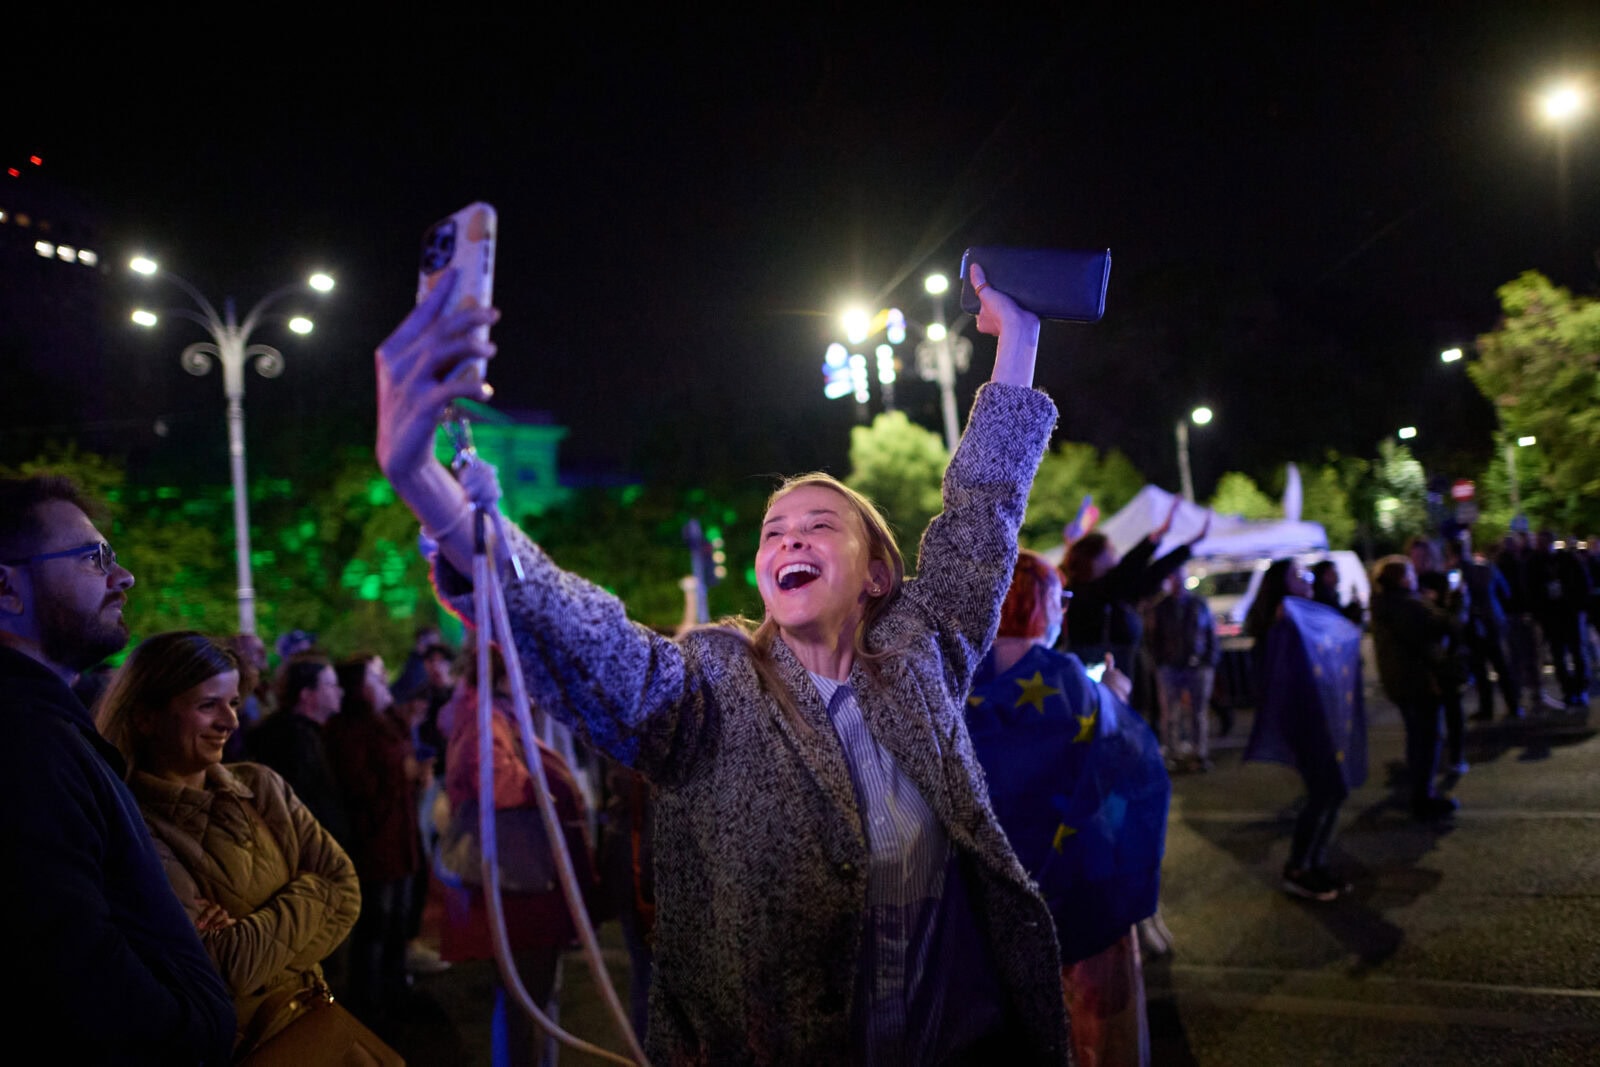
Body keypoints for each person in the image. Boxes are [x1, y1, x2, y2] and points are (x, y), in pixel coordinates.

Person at [374, 264, 1070, 1062]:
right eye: (774, 533)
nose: (790, 540)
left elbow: (983, 506)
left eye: (818, 525)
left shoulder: (924, 648)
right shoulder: (712, 684)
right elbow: (594, 637)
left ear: (878, 574)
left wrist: (1019, 336)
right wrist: (429, 488)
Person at [0, 476, 234, 1064]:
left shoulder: (51, 729)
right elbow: (70, 967)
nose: (122, 575)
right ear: (7, 588)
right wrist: (187, 1029)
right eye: (93, 558)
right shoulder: (25, 742)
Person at [96, 631, 363, 1058]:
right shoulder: (134, 826)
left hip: (312, 1022)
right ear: (146, 717)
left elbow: (346, 889)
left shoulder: (261, 786)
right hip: (246, 1047)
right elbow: (221, 968)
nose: (230, 721)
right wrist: (312, 891)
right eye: (208, 705)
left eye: (234, 703)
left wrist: (250, 934)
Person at [966, 550, 1171, 1067]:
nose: (1065, 608)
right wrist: (1115, 701)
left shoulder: (956, 677)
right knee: (1092, 1027)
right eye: (1061, 596)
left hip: (988, 892)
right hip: (1081, 880)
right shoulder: (1069, 678)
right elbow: (1126, 765)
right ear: (1040, 602)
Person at [436, 643, 599, 1067]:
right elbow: (495, 781)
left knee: (536, 993)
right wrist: (540, 790)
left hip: (528, 874)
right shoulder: (486, 717)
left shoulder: (501, 713)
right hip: (520, 878)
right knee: (526, 996)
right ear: (507, 674)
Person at [1243, 559, 1367, 900]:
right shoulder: (1284, 621)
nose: (1308, 578)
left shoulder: (1305, 614)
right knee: (1326, 790)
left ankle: (1314, 862)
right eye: (1299, 575)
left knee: (1333, 790)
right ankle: (1298, 867)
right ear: (1282, 584)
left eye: (1308, 573)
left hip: (1322, 716)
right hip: (1308, 720)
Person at [326, 652, 426, 1027]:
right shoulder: (349, 729)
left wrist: (411, 775)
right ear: (359, 687)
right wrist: (403, 775)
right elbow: (359, 786)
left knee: (397, 920)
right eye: (376, 677)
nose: (385, 682)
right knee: (376, 925)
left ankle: (394, 992)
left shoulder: (385, 722)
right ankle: (369, 1006)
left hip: (398, 840)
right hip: (376, 843)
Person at [1059, 500, 1210, 718]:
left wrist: (1182, 545)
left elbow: (1151, 574)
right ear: (1094, 558)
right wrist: (1157, 539)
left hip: (1123, 670)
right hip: (1103, 673)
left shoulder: (1113, 590)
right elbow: (1130, 568)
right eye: (1110, 550)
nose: (1116, 556)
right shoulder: (1089, 590)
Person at [1369, 556, 1459, 821]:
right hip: (1418, 680)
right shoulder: (1405, 604)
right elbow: (1436, 628)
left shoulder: (1388, 602)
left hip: (1402, 681)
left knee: (1417, 735)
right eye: (1409, 571)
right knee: (1427, 737)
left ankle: (1421, 789)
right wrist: (1447, 606)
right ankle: (1423, 796)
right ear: (1402, 578)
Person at [248, 652, 353, 849]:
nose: (340, 691)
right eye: (330, 685)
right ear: (307, 695)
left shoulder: (307, 733)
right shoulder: (292, 740)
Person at [1148, 565, 1220, 772]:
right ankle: (1172, 753)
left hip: (1197, 666)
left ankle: (1199, 753)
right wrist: (1160, 662)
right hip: (1170, 666)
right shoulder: (1160, 607)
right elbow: (1152, 638)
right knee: (1170, 714)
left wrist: (1209, 661)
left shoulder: (1198, 604)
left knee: (1197, 713)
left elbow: (1210, 634)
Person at [1447, 535, 1522, 722]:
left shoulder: (1456, 572)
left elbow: (1453, 598)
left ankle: (1487, 709)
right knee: (1500, 666)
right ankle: (1514, 706)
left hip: (1474, 623)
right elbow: (1505, 591)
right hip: (1492, 621)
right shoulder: (1486, 566)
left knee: (1480, 668)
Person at [1527, 529, 1592, 708]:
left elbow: (1582, 583)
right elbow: (1532, 590)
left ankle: (1581, 688)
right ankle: (1569, 690)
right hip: (1551, 616)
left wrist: (1581, 607)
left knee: (1577, 651)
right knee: (1558, 655)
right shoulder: (1535, 563)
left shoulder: (1568, 560)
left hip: (1570, 612)